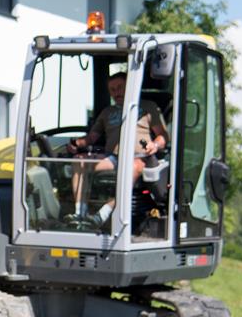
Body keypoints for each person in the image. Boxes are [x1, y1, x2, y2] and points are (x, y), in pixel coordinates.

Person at [69, 69, 168, 215]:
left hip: (140, 158)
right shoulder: (107, 112)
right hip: (113, 158)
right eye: (112, 90)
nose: (117, 93)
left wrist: (155, 145)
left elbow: (163, 136)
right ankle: (80, 214)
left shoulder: (147, 107)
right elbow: (91, 138)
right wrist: (77, 144)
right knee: (79, 161)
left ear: (130, 86)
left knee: (132, 167)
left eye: (120, 88)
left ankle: (104, 213)